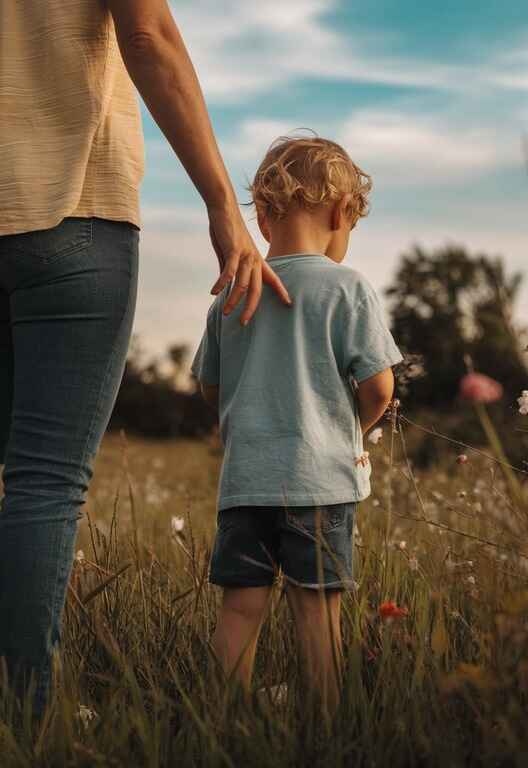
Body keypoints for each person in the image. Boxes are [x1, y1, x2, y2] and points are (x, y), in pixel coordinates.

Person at [0, 0, 290, 712]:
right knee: (43, 483)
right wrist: (224, 205)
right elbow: (147, 31)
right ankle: (22, 721)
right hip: (71, 209)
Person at [192, 135, 402, 719]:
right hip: (319, 486)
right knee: (318, 608)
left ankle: (224, 718)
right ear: (341, 214)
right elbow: (379, 387)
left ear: (261, 216)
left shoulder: (233, 291)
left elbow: (211, 386)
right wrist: (349, 427)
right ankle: (325, 720)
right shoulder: (349, 288)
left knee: (240, 607)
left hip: (245, 484)